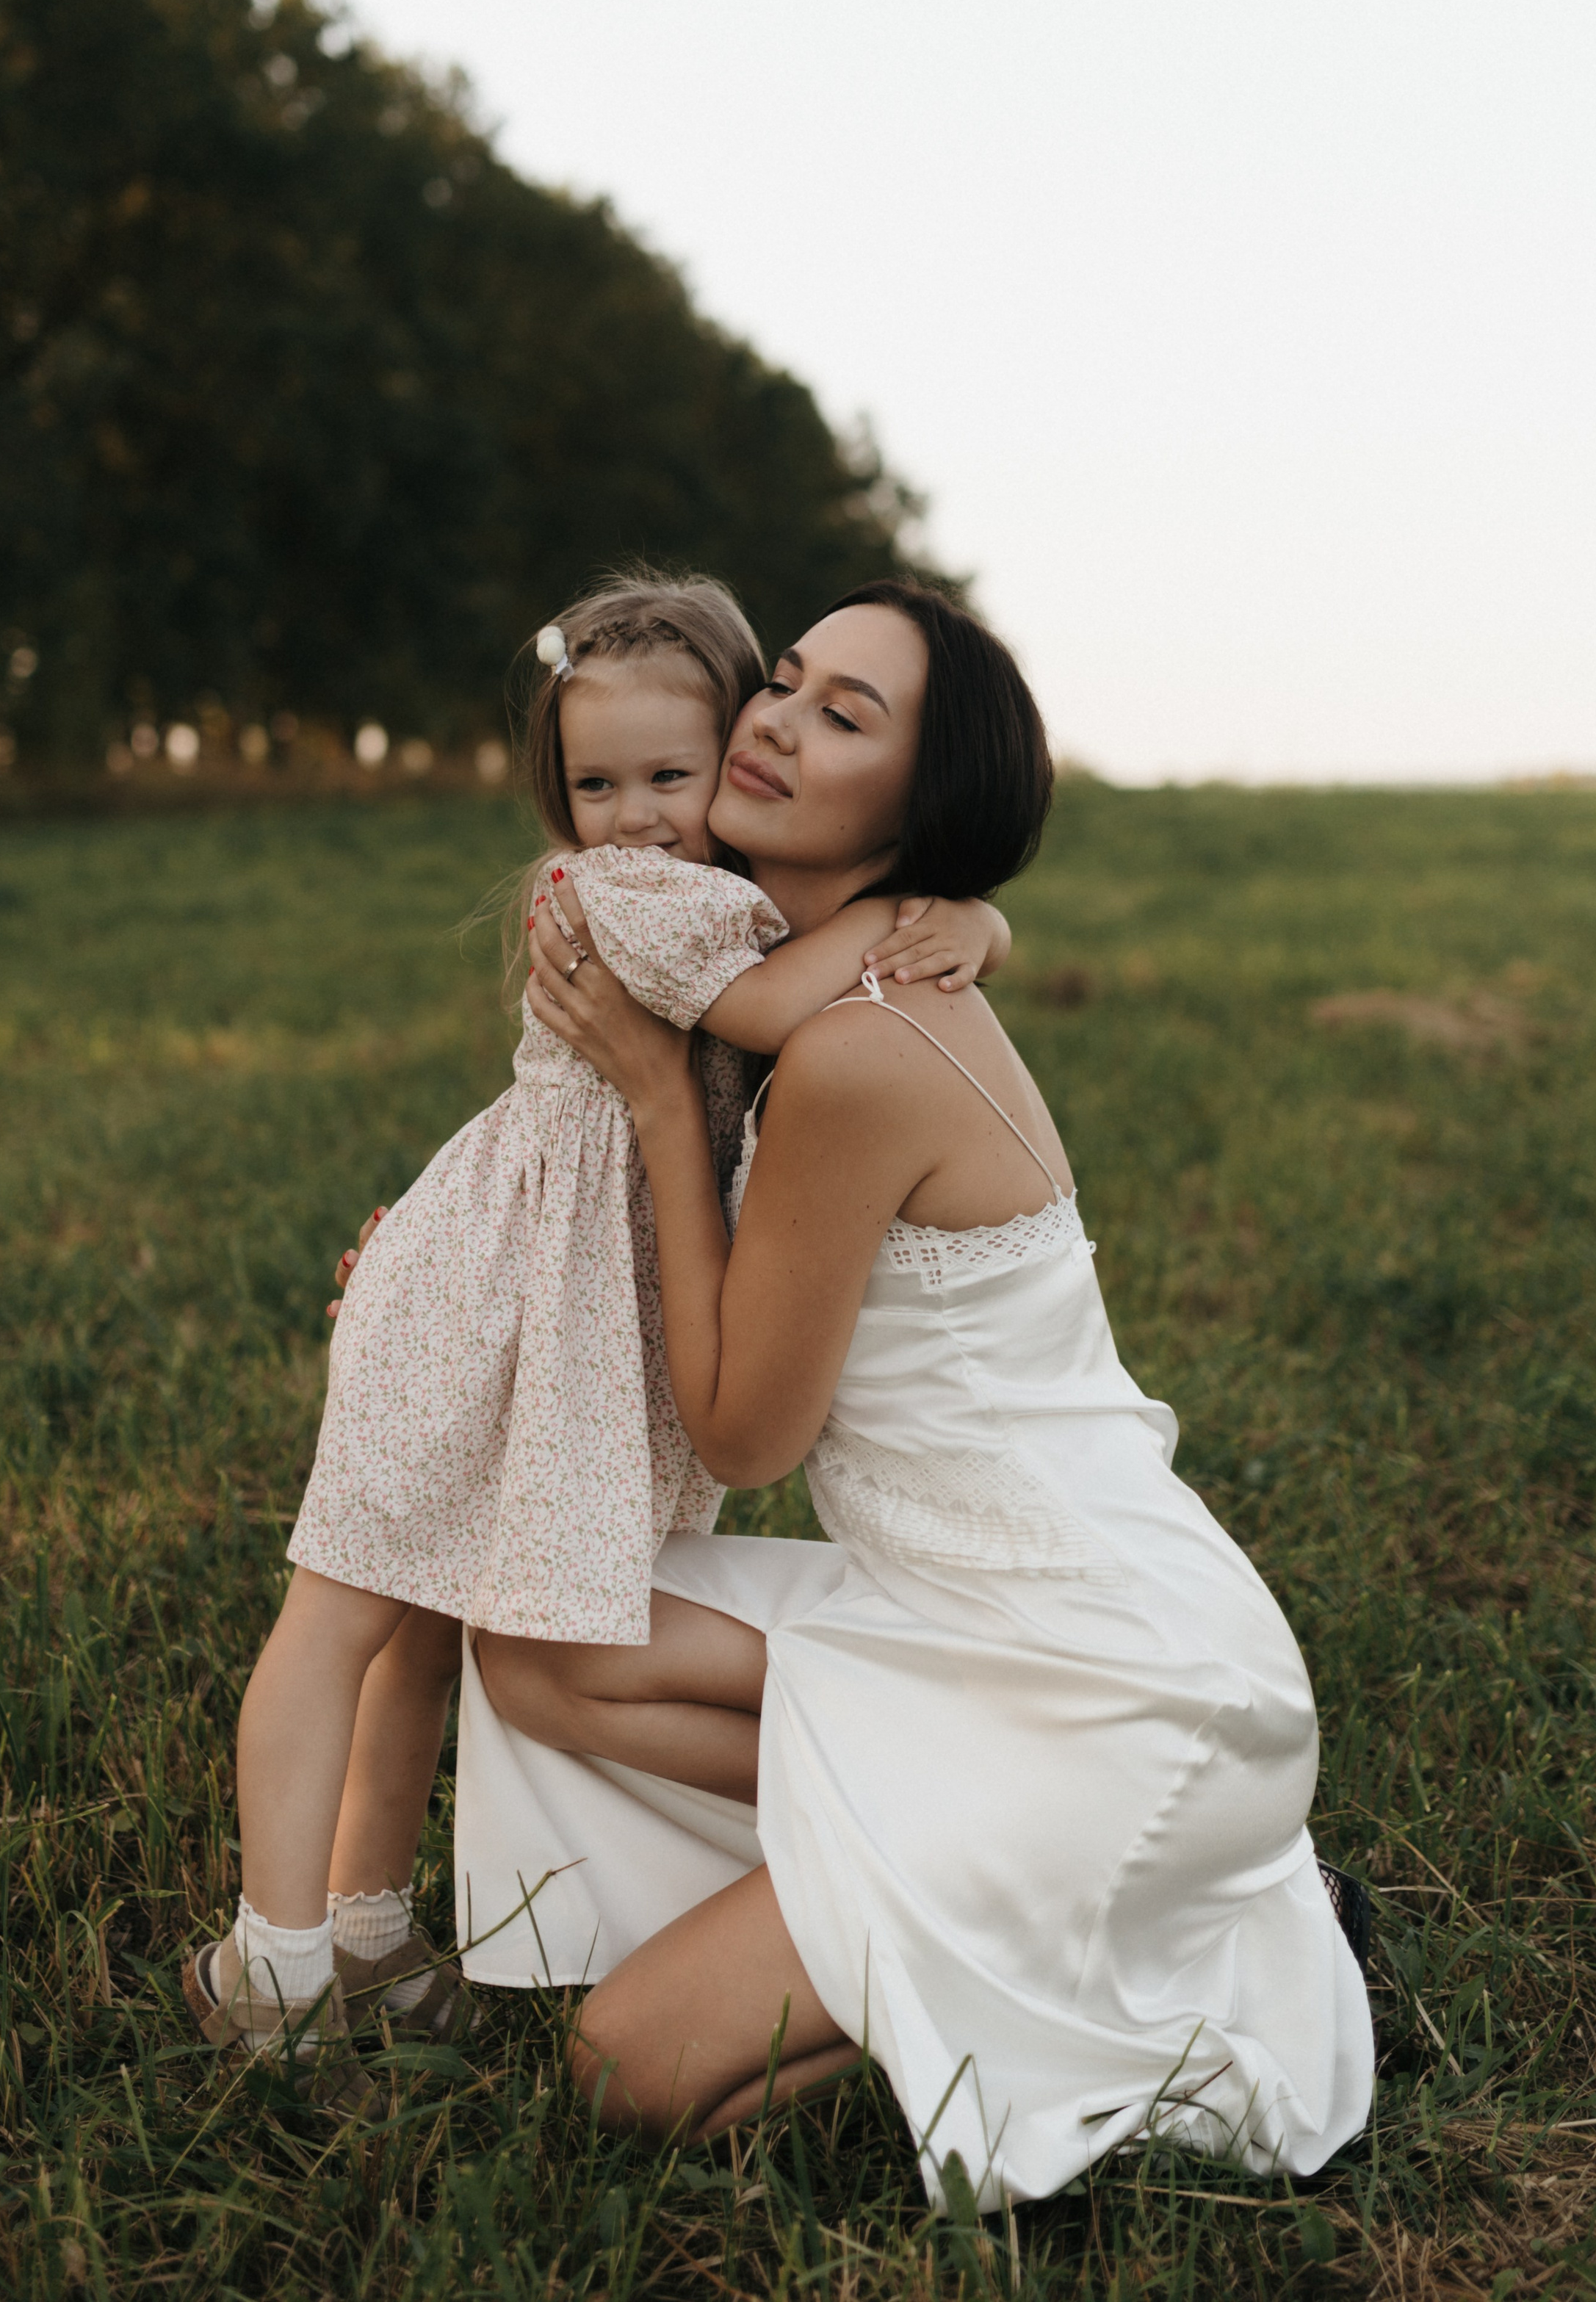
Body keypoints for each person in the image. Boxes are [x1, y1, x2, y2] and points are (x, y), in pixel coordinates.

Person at [447, 580, 1374, 2210]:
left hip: (1112, 1681)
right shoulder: (785, 960)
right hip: (950, 1621)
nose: (774, 722)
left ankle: (1187, 1942)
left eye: (843, 716)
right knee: (534, 1629)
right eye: (785, 681)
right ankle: (940, 1869)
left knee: (622, 2068)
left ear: (915, 803)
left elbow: (744, 1437)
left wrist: (663, 1100)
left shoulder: (859, 1055)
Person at [184, 574, 1011, 2094]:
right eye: (594, 783)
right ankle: (269, 1959)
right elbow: (764, 1008)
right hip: (481, 1297)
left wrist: (952, 908)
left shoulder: (717, 886)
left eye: (666, 777)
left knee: (426, 1624)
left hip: (534, 1299)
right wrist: (939, 911)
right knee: (343, 1613)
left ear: (728, 754)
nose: (631, 812)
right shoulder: (639, 896)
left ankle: (369, 1927)